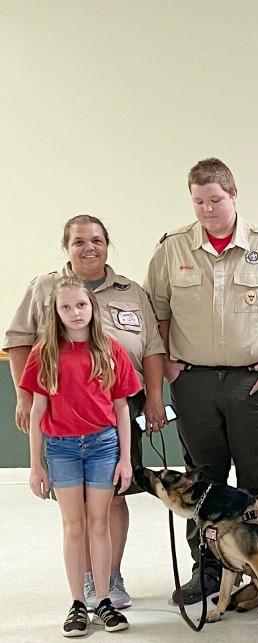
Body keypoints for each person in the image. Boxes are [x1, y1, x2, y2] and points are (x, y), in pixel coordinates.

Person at [144, 158, 258, 604]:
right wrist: (169, 364)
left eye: (215, 199)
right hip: (194, 382)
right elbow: (157, 312)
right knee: (200, 481)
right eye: (198, 201)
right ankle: (207, 569)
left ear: (233, 195)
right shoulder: (173, 248)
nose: (207, 209)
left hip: (254, 380)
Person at [5, 215, 166, 610]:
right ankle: (85, 584)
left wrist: (156, 397)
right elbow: (18, 341)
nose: (88, 247)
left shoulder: (132, 291)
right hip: (62, 415)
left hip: (118, 409)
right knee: (74, 511)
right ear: (67, 247)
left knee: (114, 496)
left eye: (96, 240)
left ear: (107, 244)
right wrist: (25, 397)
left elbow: (151, 348)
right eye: (78, 241)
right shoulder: (44, 288)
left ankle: (111, 577)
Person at [20, 277, 142, 636]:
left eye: (81, 305)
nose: (75, 313)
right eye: (66, 307)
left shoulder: (110, 349)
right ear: (56, 314)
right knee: (74, 527)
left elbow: (121, 408)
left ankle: (103, 600)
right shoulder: (45, 352)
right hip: (62, 449)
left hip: (104, 446)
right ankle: (78, 602)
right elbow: (38, 411)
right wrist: (35, 465)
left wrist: (125, 458)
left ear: (93, 308)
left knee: (98, 523)